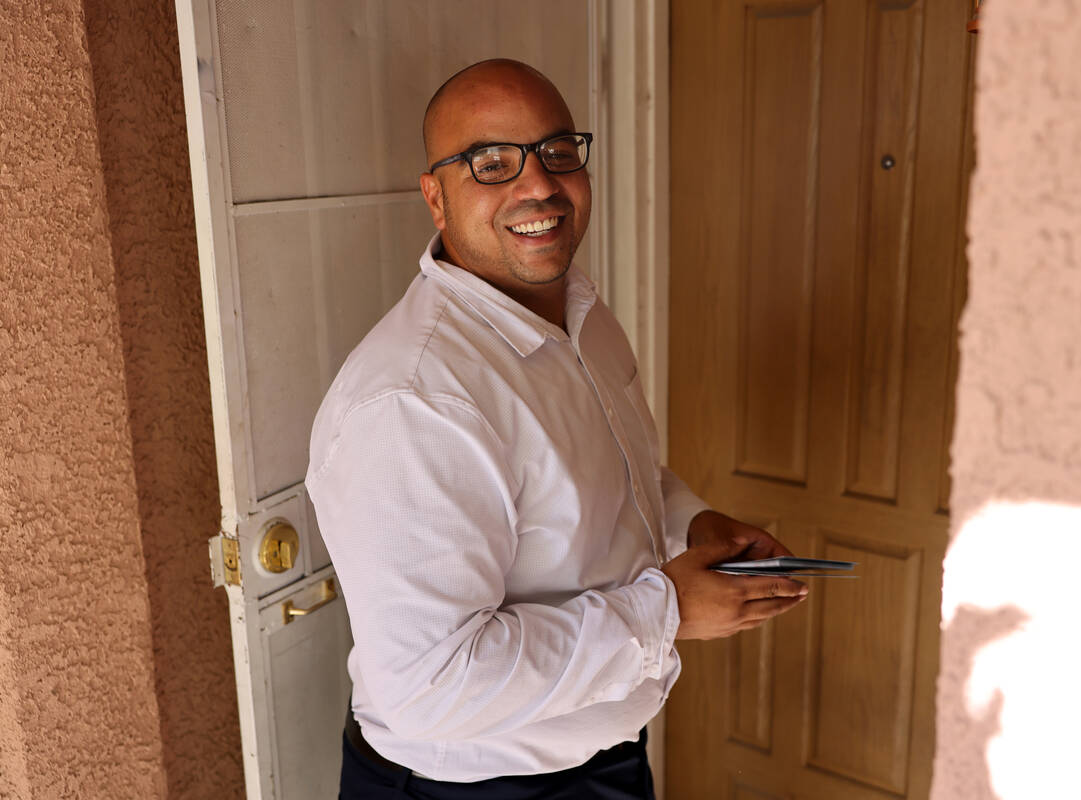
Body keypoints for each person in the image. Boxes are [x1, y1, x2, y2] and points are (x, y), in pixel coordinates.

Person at [305, 59, 808, 800]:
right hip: (472, 790)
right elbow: (430, 684)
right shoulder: (413, 402)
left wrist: (692, 522)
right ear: (435, 198)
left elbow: (606, 479)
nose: (538, 184)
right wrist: (665, 612)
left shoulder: (580, 314)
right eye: (491, 162)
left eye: (558, 151)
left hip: (602, 759)